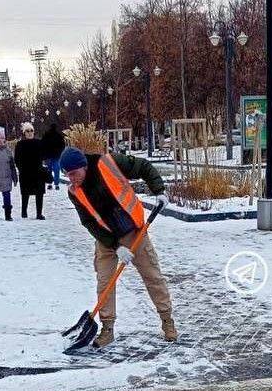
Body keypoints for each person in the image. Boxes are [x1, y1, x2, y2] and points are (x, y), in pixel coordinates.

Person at [59, 147, 176, 347]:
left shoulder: (109, 163)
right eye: (67, 175)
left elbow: (143, 166)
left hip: (134, 231)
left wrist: (159, 191)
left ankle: (167, 321)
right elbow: (89, 222)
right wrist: (114, 246)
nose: (71, 179)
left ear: (83, 166)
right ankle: (107, 329)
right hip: (106, 238)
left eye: (73, 173)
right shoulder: (74, 192)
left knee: (152, 276)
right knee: (105, 282)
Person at [14, 122, 47, 219]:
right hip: (25, 173)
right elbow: (17, 159)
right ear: (24, 133)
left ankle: (39, 213)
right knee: (25, 193)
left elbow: (44, 155)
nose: (30, 133)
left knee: (39, 193)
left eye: (31, 130)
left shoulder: (39, 142)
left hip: (38, 172)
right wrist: (21, 169)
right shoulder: (20, 144)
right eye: (27, 131)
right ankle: (24, 212)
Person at [41, 123, 66, 190]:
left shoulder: (46, 135)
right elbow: (63, 145)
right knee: (56, 170)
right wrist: (60, 152)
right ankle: (56, 184)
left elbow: (42, 145)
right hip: (56, 155)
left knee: (49, 170)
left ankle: (49, 184)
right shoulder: (59, 135)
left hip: (48, 155)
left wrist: (43, 154)